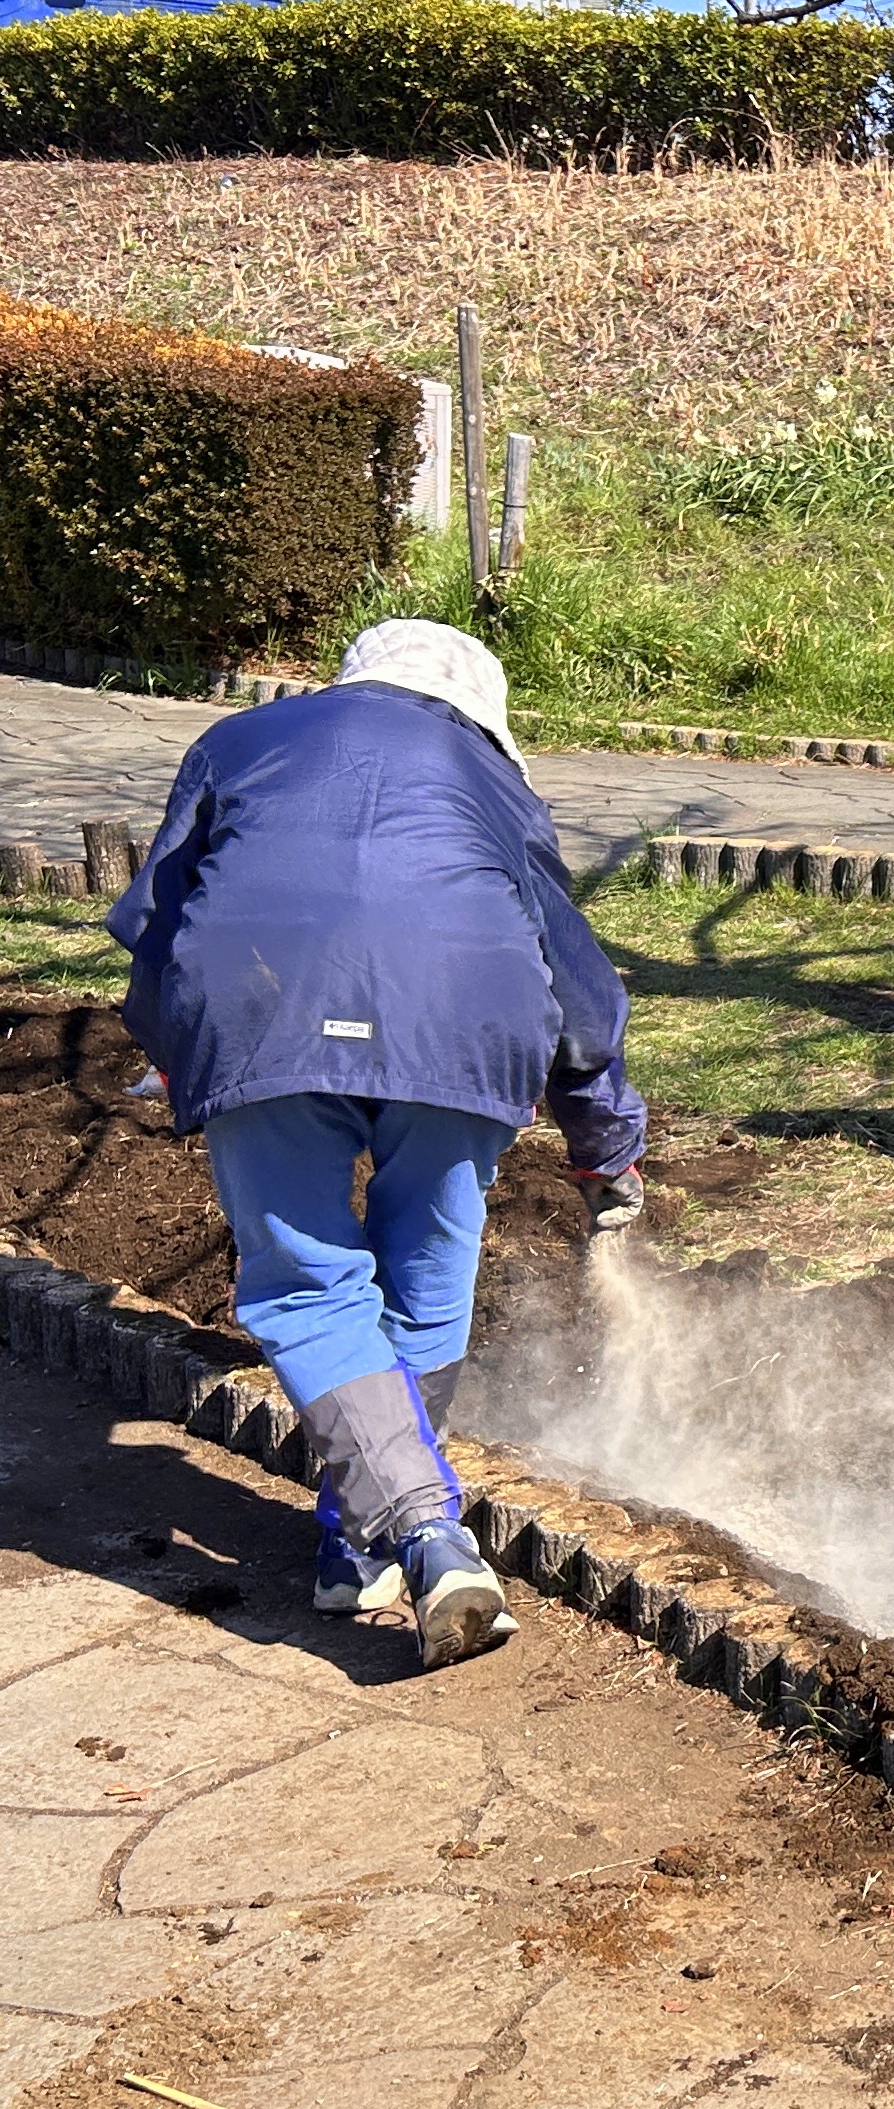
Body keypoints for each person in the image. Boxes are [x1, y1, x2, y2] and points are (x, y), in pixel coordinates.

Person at [107, 620, 649, 1666]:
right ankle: (406, 1536)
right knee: (427, 1270)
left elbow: (159, 921)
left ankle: (386, 1538)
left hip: (258, 1000)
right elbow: (577, 981)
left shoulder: (241, 741)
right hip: (467, 1015)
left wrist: (179, 1045)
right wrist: (604, 1145)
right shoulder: (487, 779)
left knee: (309, 1286)